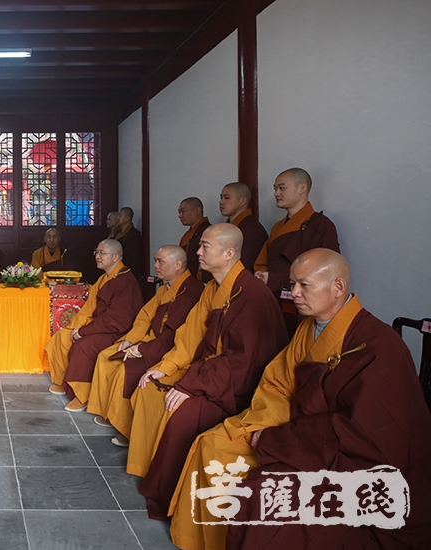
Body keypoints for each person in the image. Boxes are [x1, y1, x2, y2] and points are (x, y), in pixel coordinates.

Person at [168, 249, 431, 550]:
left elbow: (360, 433)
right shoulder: (308, 327)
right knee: (213, 444)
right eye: (292, 284)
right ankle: (200, 541)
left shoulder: (381, 347)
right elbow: (278, 384)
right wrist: (263, 426)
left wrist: (270, 439)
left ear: (338, 287)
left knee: (259, 490)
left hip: (342, 457)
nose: (293, 293)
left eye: (304, 285)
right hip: (293, 430)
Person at [127, 223, 289, 521]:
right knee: (150, 389)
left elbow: (242, 364)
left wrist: (190, 385)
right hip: (208, 372)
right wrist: (165, 368)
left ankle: (171, 496)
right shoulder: (213, 289)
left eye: (205, 247)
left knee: (185, 414)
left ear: (229, 253)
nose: (198, 252)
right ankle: (151, 472)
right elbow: (189, 338)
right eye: (199, 246)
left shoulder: (253, 295)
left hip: (236, 386)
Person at [86, 245, 204, 447]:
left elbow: (174, 336)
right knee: (107, 356)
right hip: (148, 340)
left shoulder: (192, 291)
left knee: (124, 370)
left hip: (166, 348)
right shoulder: (167, 287)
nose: (155, 266)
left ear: (178, 265)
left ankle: (125, 426)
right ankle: (108, 411)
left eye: (160, 262)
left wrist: (141, 349)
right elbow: (145, 316)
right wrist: (131, 339)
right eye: (155, 260)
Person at [45, 239, 143, 411]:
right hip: (100, 326)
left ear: (115, 257)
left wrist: (84, 331)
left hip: (117, 332)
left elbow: (117, 321)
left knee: (83, 346)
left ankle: (81, 395)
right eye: (96, 252)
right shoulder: (105, 277)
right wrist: (76, 327)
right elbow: (89, 308)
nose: (97, 256)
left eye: (102, 253)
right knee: (61, 337)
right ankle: (66, 383)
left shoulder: (124, 281)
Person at [254, 168, 340, 334]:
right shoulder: (277, 227)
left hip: (303, 306)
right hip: (273, 302)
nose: (276, 193)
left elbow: (324, 273)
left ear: (302, 188)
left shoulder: (321, 225)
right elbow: (261, 262)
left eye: (282, 187)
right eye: (275, 188)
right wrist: (262, 276)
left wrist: (274, 279)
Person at [218, 182, 268, 272]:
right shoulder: (227, 226)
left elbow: (245, 266)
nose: (221, 202)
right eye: (221, 198)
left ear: (242, 201)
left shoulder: (253, 230)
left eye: (227, 198)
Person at [178, 197, 212, 283]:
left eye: (183, 211)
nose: (180, 215)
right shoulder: (190, 233)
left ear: (197, 210)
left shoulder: (207, 231)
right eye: (179, 212)